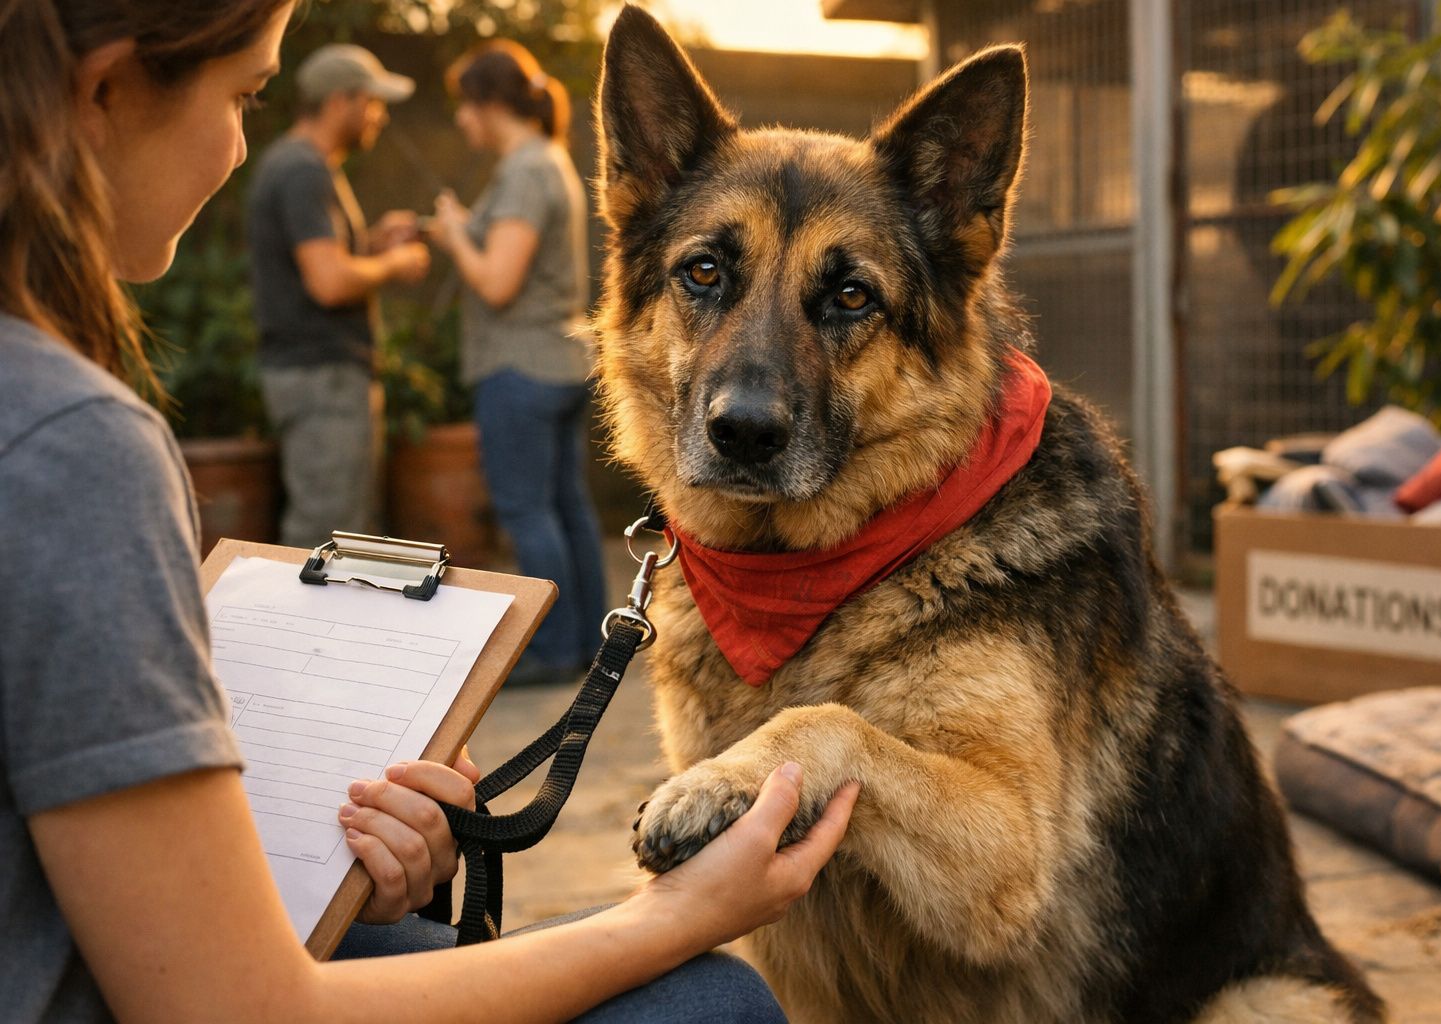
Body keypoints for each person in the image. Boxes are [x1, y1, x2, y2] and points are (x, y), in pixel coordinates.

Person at [0, 2, 861, 1022]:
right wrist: (676, 914)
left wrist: (314, 822)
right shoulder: (66, 445)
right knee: (712, 999)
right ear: (103, 91)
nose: (241, 144)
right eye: (246, 96)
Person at [427, 42, 606, 683]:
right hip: (558, 361)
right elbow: (515, 252)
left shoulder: (525, 170)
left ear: (489, 104)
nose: (461, 122)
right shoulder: (546, 161)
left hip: (521, 368)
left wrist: (454, 239)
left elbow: (498, 281)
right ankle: (588, 641)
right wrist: (460, 225)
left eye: (464, 107)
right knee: (565, 505)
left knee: (527, 510)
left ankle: (553, 650)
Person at [246, 42, 431, 548]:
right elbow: (327, 283)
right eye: (372, 102)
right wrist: (394, 264)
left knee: (339, 524)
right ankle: (293, 629)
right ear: (338, 102)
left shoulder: (299, 165)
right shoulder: (303, 170)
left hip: (314, 375)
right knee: (328, 531)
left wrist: (369, 243)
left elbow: (316, 261)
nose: (380, 116)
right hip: (321, 376)